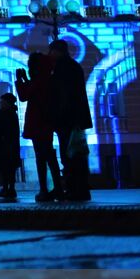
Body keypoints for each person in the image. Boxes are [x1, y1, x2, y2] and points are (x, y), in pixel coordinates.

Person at [47, 39, 93, 201]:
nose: (49, 54)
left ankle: (75, 189)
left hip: (67, 119)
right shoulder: (74, 66)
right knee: (77, 154)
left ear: (57, 51)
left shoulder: (62, 67)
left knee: (69, 155)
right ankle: (81, 189)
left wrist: (58, 116)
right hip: (77, 118)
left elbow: (62, 95)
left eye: (51, 51)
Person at [16, 52, 63, 202]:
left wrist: (19, 80)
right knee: (49, 155)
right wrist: (26, 80)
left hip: (38, 123)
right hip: (47, 123)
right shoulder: (48, 79)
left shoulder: (39, 80)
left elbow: (24, 95)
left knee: (42, 157)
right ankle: (58, 188)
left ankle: (44, 190)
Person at [0, 93, 21, 201]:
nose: (0, 104)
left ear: (7, 103)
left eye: (2, 102)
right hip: (9, 146)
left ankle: (8, 189)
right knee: (8, 169)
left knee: (6, 168)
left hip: (5, 146)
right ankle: (9, 189)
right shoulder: (11, 114)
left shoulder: (5, 114)